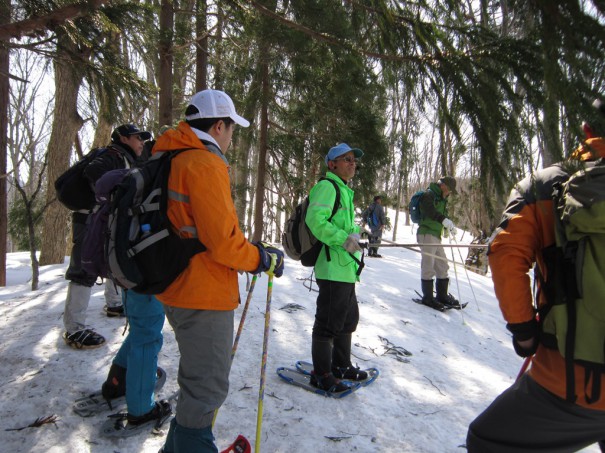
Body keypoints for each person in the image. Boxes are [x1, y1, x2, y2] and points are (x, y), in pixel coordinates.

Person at [466, 98, 605, 452]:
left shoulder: (546, 185)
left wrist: (524, 331)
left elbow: (506, 254)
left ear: (587, 131)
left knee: (487, 441)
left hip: (572, 383)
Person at [152, 89, 284, 452]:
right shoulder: (203, 162)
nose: (230, 137)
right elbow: (222, 242)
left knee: (196, 387)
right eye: (231, 129)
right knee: (206, 390)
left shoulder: (170, 154)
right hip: (202, 293)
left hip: (178, 286)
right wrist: (260, 259)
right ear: (220, 125)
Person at [62, 124, 150, 350]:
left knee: (113, 257)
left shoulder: (125, 157)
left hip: (101, 219)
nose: (142, 142)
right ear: (122, 138)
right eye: (138, 137)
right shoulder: (113, 155)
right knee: (83, 269)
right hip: (89, 219)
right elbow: (95, 173)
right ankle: (74, 329)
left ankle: (113, 303)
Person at [305, 143, 367, 394]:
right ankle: (321, 373)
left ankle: (340, 365)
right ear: (332, 164)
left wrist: (353, 236)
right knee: (328, 323)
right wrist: (344, 238)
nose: (353, 163)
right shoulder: (327, 187)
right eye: (347, 159)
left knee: (348, 319)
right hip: (331, 268)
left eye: (354, 160)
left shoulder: (344, 191)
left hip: (345, 268)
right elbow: (315, 221)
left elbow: (338, 225)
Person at [417, 176, 460, 311]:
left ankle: (442, 296)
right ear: (443, 186)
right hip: (426, 233)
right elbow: (430, 211)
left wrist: (447, 227)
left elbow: (441, 215)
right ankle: (428, 297)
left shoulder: (441, 199)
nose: (450, 193)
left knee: (442, 265)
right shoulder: (428, 195)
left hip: (436, 234)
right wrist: (443, 220)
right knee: (428, 265)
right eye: (450, 190)